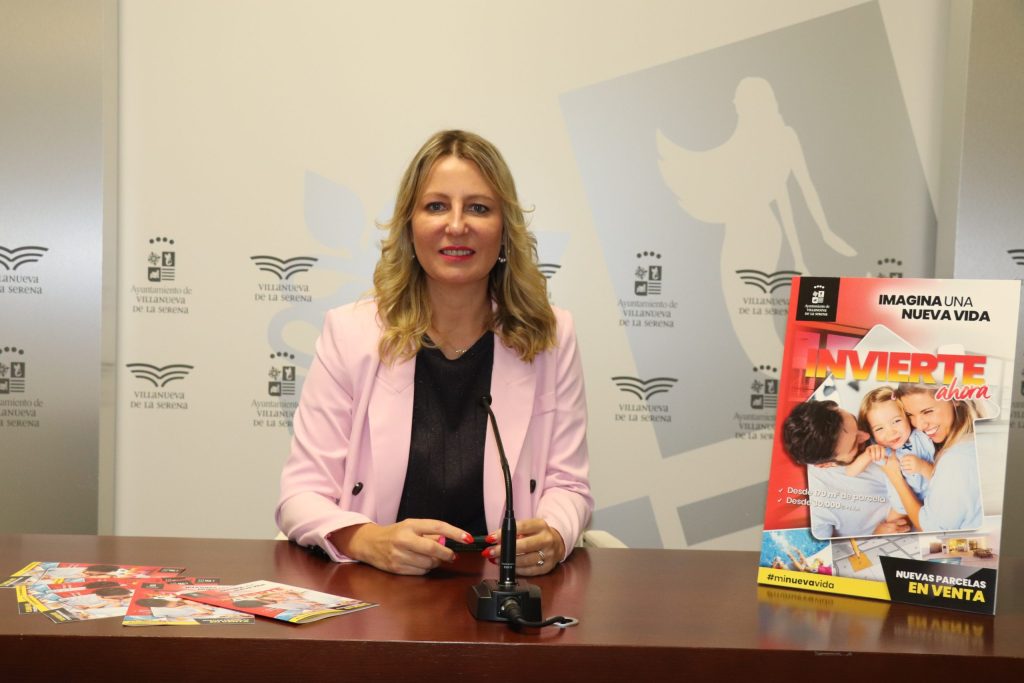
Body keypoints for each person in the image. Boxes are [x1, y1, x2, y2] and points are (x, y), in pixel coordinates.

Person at [277, 130, 593, 576]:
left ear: (505, 230)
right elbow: (300, 494)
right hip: (379, 588)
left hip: (501, 588)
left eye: (479, 208)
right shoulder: (350, 333)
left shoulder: (550, 336)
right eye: (437, 206)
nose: (457, 225)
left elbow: (568, 485)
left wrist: (555, 535)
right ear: (410, 225)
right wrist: (367, 540)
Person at [781, 400, 910, 538]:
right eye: (854, 445)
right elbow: (826, 549)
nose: (866, 436)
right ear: (825, 465)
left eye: (854, 421)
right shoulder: (815, 511)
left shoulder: (865, 415)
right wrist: (873, 538)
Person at [881, 385, 982, 531]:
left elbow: (930, 529)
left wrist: (895, 478)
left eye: (927, 411)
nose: (920, 425)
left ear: (955, 399)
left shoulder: (957, 460)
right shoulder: (961, 444)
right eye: (910, 415)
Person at [849, 386, 935, 515]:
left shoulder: (921, 437)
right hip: (901, 508)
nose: (891, 432)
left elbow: (941, 478)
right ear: (871, 432)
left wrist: (922, 467)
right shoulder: (882, 450)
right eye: (879, 429)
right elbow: (851, 472)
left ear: (907, 416)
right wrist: (868, 455)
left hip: (933, 499)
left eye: (896, 421)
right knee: (893, 522)